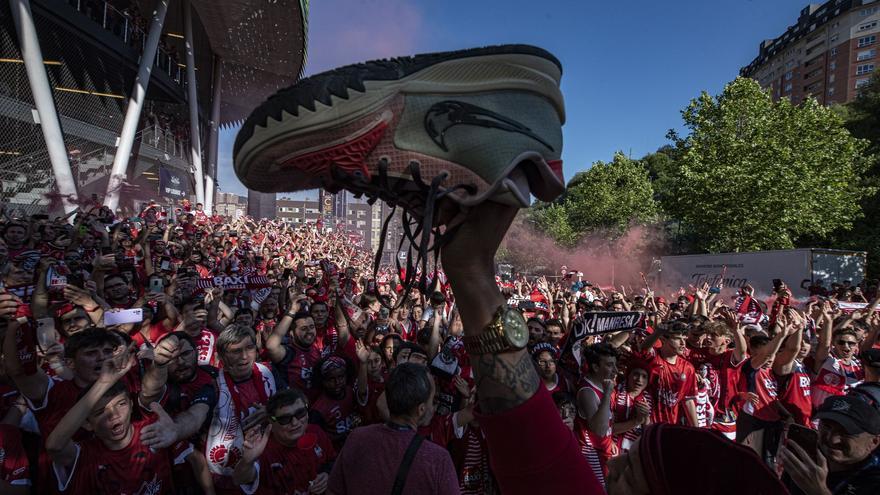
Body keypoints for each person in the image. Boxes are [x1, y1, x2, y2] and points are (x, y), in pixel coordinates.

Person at [328, 362, 459, 494]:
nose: (433, 407)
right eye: (432, 401)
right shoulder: (437, 460)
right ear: (421, 409)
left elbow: (333, 491)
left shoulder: (357, 438)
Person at [234, 388, 335, 495]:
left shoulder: (316, 432)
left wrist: (327, 474)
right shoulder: (261, 448)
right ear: (271, 421)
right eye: (285, 419)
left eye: (300, 413)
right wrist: (247, 461)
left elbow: (332, 460)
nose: (295, 423)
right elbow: (240, 480)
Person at [780, 395, 880, 495]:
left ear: (874, 442)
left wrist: (818, 491)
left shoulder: (874, 483)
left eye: (846, 432)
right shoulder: (806, 461)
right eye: (827, 426)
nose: (832, 439)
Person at [575, 342, 618, 485]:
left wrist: (610, 439)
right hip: (591, 453)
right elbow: (599, 430)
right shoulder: (587, 391)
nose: (615, 370)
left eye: (615, 365)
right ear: (595, 367)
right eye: (610, 365)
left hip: (604, 450)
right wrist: (607, 394)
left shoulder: (605, 384)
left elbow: (608, 424)